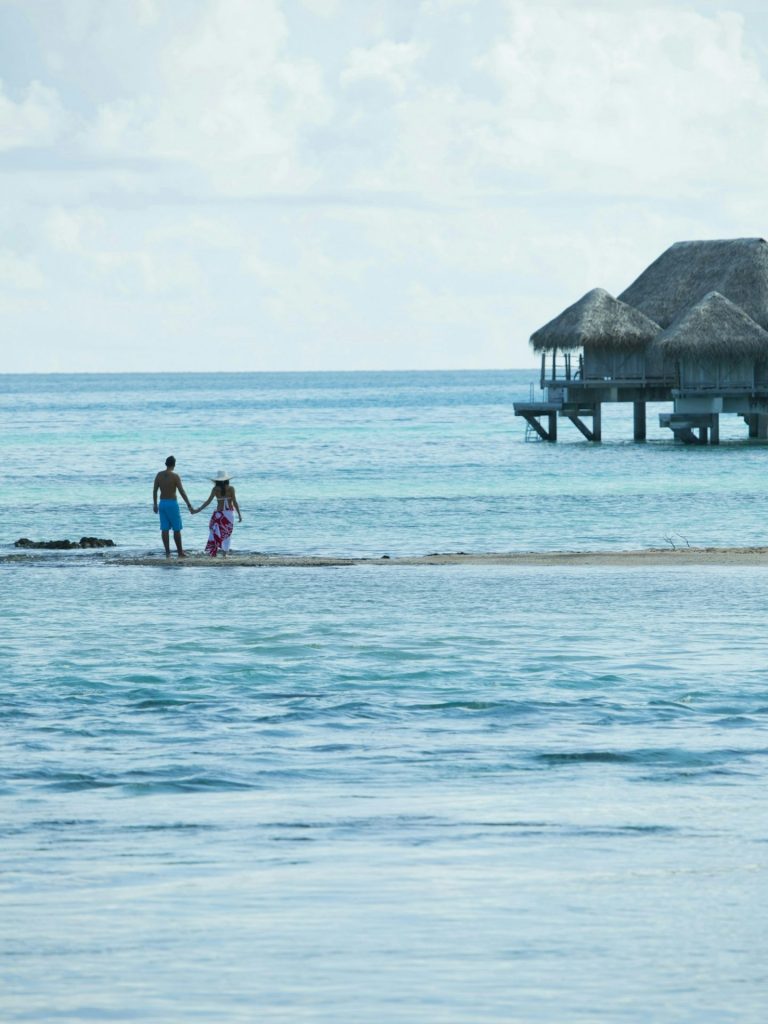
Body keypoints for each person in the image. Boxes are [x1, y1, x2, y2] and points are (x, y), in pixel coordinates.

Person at [193, 471, 242, 557]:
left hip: (219, 515)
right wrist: (239, 515)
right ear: (227, 480)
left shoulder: (215, 489)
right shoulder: (231, 489)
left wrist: (198, 509)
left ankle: (214, 551)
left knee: (215, 532)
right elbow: (234, 502)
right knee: (227, 534)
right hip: (229, 515)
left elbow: (208, 502)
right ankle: (224, 554)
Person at [152, 455, 194, 558]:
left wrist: (155, 504)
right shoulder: (175, 476)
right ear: (174, 465)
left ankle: (167, 553)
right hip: (172, 504)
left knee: (164, 528)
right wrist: (189, 505)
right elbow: (182, 491)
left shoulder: (159, 475)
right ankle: (180, 553)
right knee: (176, 528)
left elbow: (154, 490)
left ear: (166, 464)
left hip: (162, 503)